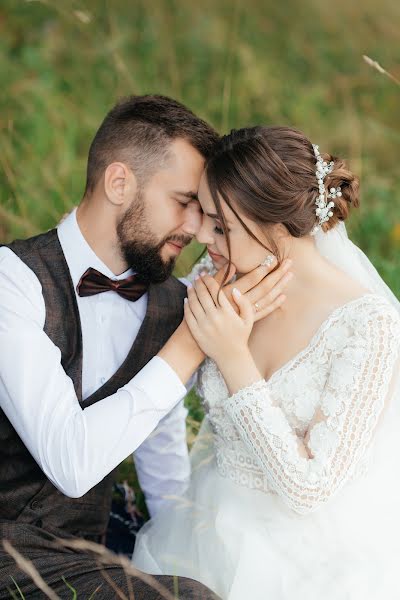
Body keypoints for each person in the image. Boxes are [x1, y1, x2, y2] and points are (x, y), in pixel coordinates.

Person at [0, 99, 290, 599]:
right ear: (119, 184)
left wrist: (186, 543)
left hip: (83, 556)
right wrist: (189, 346)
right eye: (184, 202)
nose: (199, 229)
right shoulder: (13, 283)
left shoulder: (170, 304)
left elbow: (163, 463)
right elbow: (71, 463)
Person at [132, 126, 400, 600]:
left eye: (221, 226)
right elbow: (156, 395)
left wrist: (234, 357)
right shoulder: (215, 279)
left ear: (275, 226)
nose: (202, 236)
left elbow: (309, 491)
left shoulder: (366, 326)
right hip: (208, 523)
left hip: (314, 563)